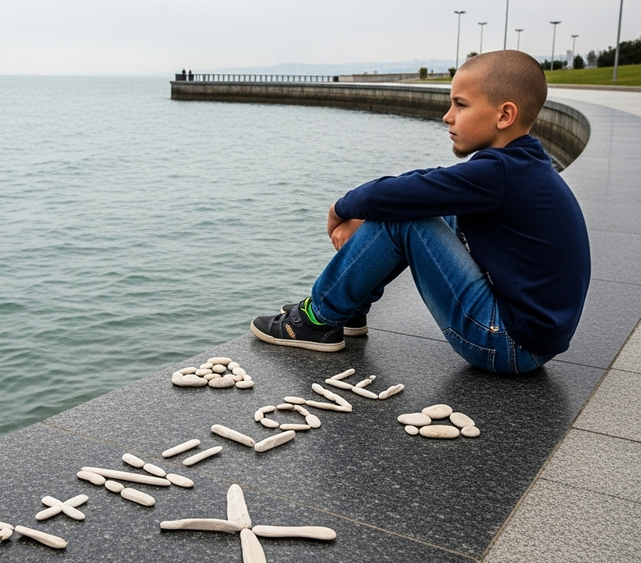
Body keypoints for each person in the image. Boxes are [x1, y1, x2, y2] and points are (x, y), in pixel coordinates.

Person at [250, 50, 590, 375]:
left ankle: (318, 320)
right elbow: (421, 189)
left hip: (506, 342)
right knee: (426, 209)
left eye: (461, 105)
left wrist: (341, 207)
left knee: (409, 216)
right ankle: (348, 308)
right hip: (531, 341)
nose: (447, 116)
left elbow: (409, 191)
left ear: (504, 115)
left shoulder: (499, 174)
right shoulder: (522, 166)